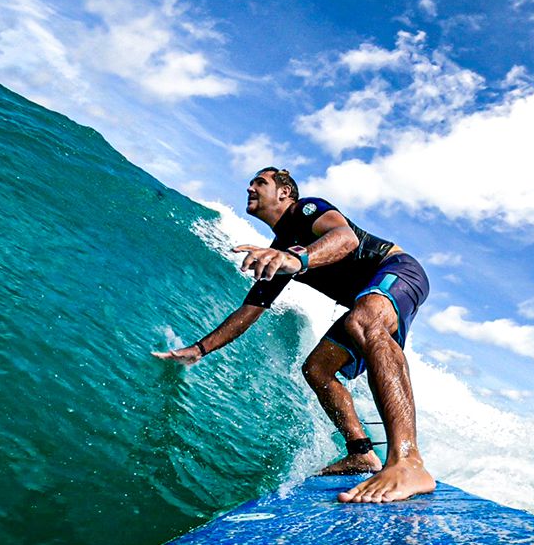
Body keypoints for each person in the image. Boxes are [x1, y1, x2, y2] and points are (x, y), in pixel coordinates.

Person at [152, 167, 435, 503]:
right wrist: (199, 349)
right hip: (366, 301)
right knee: (318, 369)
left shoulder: (307, 211)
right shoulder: (280, 249)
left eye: (260, 182)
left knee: (363, 320)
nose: (250, 187)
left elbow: (346, 239)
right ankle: (361, 452)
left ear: (285, 193)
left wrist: (296, 258)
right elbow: (249, 311)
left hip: (398, 271)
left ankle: (407, 462)